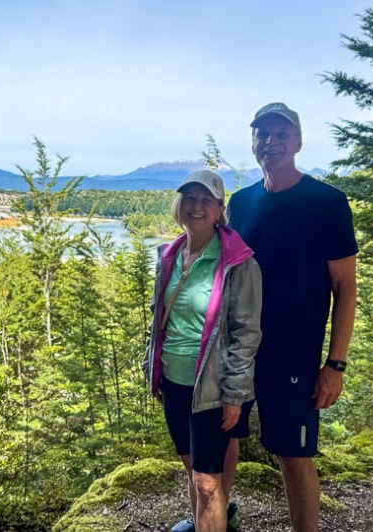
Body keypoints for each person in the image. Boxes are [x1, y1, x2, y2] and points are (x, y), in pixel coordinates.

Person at [227, 103, 358, 532]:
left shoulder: (328, 203)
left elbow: (345, 288)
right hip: (238, 351)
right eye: (263, 134)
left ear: (298, 142)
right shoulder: (240, 203)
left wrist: (334, 365)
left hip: (294, 357)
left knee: (294, 455)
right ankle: (215, 518)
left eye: (281, 134)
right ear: (253, 144)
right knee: (223, 439)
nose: (271, 142)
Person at [144, 169, 262, 532]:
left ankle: (212, 520)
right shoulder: (171, 254)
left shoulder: (238, 263)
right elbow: (159, 320)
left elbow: (247, 333)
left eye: (205, 200)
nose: (196, 206)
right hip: (174, 382)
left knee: (207, 483)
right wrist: (154, 372)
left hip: (211, 388)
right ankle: (213, 523)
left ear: (219, 209)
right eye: (190, 199)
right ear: (180, 205)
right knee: (194, 469)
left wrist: (235, 395)